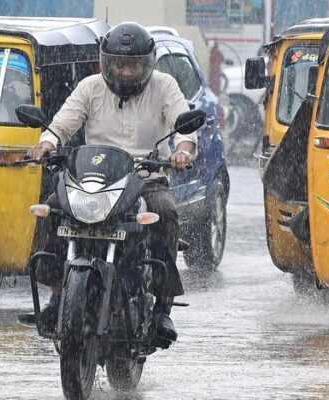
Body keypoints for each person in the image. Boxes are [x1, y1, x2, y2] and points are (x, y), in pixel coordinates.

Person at [21, 22, 197, 346]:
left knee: (166, 212)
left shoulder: (164, 86)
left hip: (145, 179)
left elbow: (183, 125)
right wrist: (47, 143)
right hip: (93, 179)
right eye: (119, 63)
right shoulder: (90, 87)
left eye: (133, 65)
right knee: (52, 208)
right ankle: (57, 295)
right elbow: (62, 122)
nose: (126, 71)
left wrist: (184, 150)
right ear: (106, 62)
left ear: (148, 63)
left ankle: (162, 306)